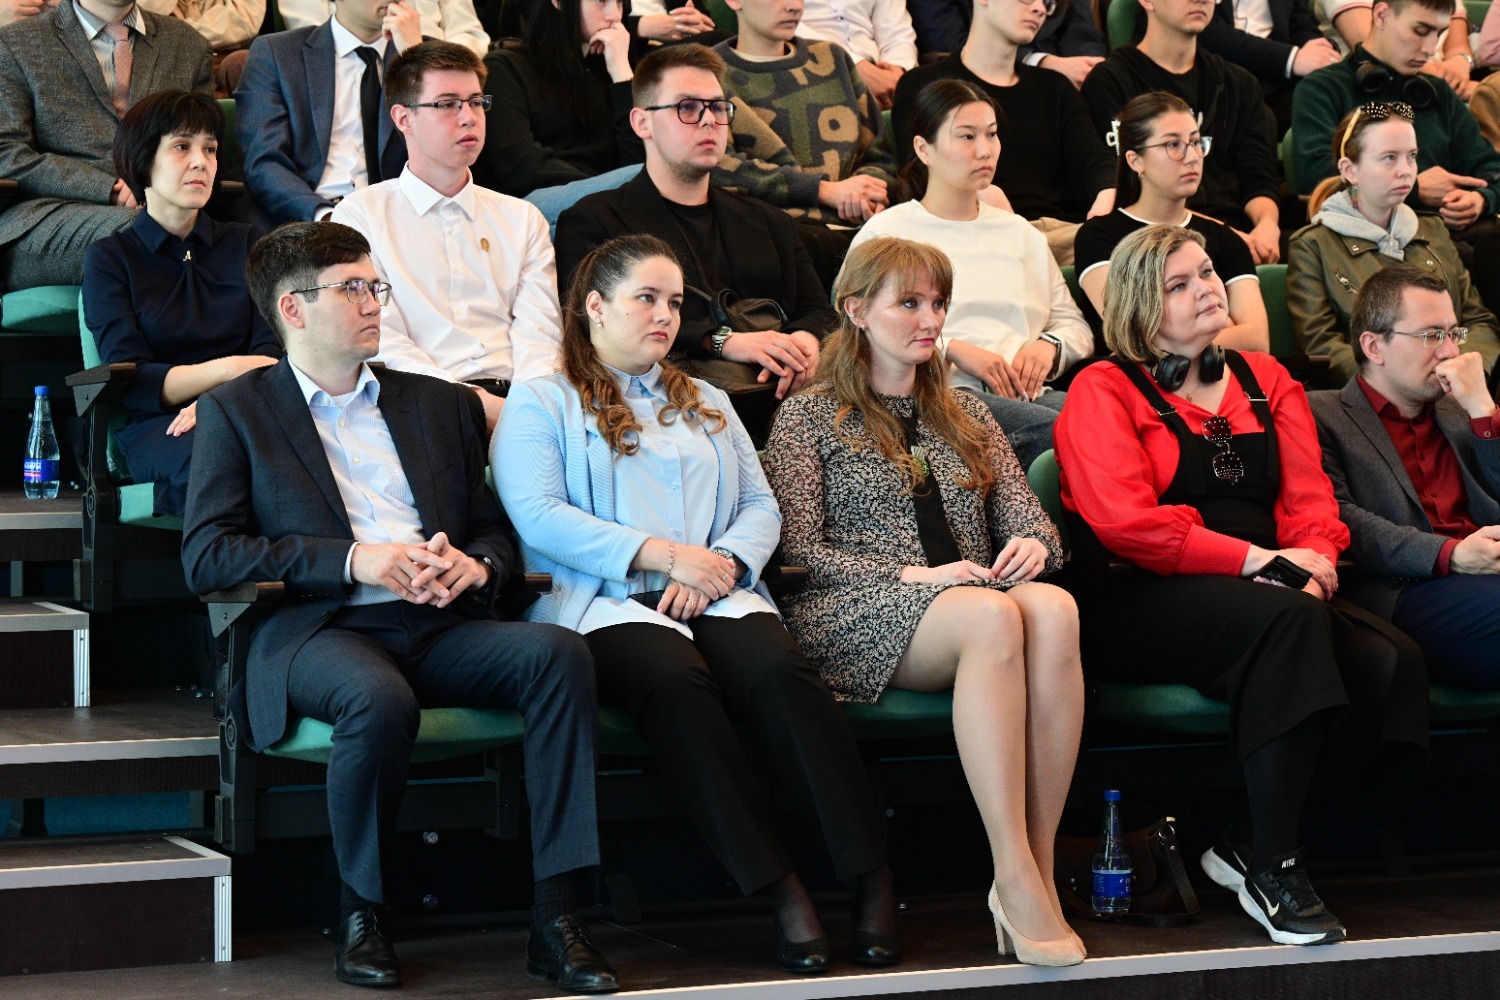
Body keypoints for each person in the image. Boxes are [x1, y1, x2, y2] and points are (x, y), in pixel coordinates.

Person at [181, 221, 616, 994]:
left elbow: (493, 529)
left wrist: (476, 565)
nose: (373, 302)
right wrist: (355, 560)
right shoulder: (237, 411)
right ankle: (363, 912)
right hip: (322, 627)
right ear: (292, 308)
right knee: (376, 698)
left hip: (442, 621)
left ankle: (559, 918)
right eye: (351, 288)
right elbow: (209, 554)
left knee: (558, 655)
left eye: (374, 285)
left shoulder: (438, 404)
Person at [495, 233, 897, 976]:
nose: (665, 315)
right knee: (676, 684)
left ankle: (870, 873)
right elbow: (539, 514)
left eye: (675, 302)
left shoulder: (707, 398)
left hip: (715, 589)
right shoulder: (543, 398)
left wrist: (724, 565)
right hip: (606, 601)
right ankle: (779, 887)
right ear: (594, 306)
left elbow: (760, 505)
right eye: (646, 298)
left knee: (781, 676)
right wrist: (663, 556)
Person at [1055, 223, 1428, 948]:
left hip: (1273, 584)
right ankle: (1274, 870)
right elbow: (1127, 524)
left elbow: (1310, 498)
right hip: (1138, 595)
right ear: (1140, 308)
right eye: (1180, 284)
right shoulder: (1103, 388)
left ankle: (1248, 839)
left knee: (1391, 663)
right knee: (1289, 623)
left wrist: (1314, 561)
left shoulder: (1266, 377)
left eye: (1207, 273)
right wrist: (1261, 563)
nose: (1207, 290)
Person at [762, 235, 1086, 968]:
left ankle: (1034, 869)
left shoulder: (965, 412)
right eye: (908, 303)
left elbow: (1029, 518)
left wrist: (1034, 544)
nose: (930, 319)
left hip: (970, 599)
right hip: (853, 606)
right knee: (994, 614)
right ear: (855, 310)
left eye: (938, 303)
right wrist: (910, 576)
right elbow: (795, 556)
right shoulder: (809, 415)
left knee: (1054, 608)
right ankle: (1010, 868)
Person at [555, 44, 836, 443]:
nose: (709, 121)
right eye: (687, 107)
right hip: (660, 414)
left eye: (718, 108)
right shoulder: (594, 220)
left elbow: (818, 311)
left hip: (784, 405)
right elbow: (590, 325)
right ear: (642, 122)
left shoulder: (769, 220)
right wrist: (724, 342)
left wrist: (800, 345)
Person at [849, 79, 1091, 469]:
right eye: (967, 136)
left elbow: (1072, 323)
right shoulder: (887, 233)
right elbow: (855, 329)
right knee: (1060, 431)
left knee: (1105, 421)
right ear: (923, 149)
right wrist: (950, 348)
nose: (985, 150)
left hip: (1026, 393)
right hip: (937, 396)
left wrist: (1048, 346)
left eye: (991, 134)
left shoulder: (1020, 232)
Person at [332, 41, 562, 436]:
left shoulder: (522, 218)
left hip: (521, 402)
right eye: (447, 104)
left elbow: (540, 337)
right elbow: (383, 340)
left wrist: (527, 414)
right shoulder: (360, 216)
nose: (469, 117)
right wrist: (471, 404)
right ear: (404, 118)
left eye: (475, 102)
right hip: (419, 405)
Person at [82, 91, 280, 517]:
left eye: (210, 149)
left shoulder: (248, 243)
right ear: (142, 161)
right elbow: (134, 378)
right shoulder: (111, 258)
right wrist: (228, 370)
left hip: (250, 411)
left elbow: (271, 355)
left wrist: (220, 402)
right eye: (181, 146)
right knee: (219, 461)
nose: (200, 162)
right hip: (163, 425)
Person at [1311, 265, 1500, 690]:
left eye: (1454, 333)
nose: (1450, 351)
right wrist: (1450, 554)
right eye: (1432, 335)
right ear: (1374, 346)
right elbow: (1341, 518)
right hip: (1402, 588)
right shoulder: (1320, 414)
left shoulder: (1464, 407)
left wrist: (1484, 412)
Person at [0, 0, 211, 289]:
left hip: (162, 209)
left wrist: (156, 185)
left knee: (231, 238)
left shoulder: (188, 45)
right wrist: (106, 187)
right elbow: (7, 154)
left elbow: (204, 146)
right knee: (149, 232)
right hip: (46, 215)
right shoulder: (14, 43)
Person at [1287, 102, 1500, 383]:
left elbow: (1479, 321)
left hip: (1454, 388)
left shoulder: (1433, 229)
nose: (1406, 170)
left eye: (1411, 156)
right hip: (1375, 400)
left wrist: (1462, 372)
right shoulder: (1313, 246)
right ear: (1349, 170)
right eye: (1389, 157)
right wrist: (1404, 383)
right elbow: (1321, 347)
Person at [892, 0, 1116, 266]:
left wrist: (1107, 191)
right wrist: (980, 196)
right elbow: (917, 174)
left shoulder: (1055, 88)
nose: (1040, 8)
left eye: (1047, 2)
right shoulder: (923, 84)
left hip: (1062, 235)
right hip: (970, 233)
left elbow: (1093, 161)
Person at [712, 0, 898, 286]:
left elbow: (879, 156)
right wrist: (822, 190)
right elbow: (716, 167)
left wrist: (863, 194)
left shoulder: (834, 58)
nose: (794, 6)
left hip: (860, 231)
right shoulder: (709, 73)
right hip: (776, 239)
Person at [1081, 0, 1283, 264]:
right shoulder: (1111, 81)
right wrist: (1225, 237)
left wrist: (1267, 226)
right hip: (1158, 240)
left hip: (1241, 234)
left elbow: (1258, 178)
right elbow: (1129, 191)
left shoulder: (1239, 84)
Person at [1075, 91, 1267, 350]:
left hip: (1223, 373)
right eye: (1173, 144)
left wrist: (1175, 330)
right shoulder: (1100, 236)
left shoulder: (1225, 238)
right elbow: (1136, 337)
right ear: (1135, 160)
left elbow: (1256, 341)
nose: (1192, 156)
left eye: (1195, 142)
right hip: (1138, 375)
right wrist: (1221, 323)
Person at [1291, 0, 1500, 236]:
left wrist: (1482, 199)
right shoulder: (1321, 89)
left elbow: (1492, 168)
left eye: (1439, 33)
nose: (1430, 49)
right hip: (1364, 241)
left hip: (1447, 239)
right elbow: (1318, 178)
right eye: (1420, 31)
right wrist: (1413, 188)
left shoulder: (1439, 92)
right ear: (1381, 15)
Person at [235, 0, 417, 226]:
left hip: (396, 220)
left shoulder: (422, 56)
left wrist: (414, 60)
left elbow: (444, 154)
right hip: (306, 219)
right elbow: (263, 161)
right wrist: (325, 215)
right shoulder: (277, 53)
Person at [473, 0, 644, 227]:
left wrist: (621, 71)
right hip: (534, 207)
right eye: (602, 1)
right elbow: (520, 167)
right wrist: (604, 189)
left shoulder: (607, 69)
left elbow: (636, 158)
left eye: (620, 3)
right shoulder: (505, 67)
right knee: (654, 182)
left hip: (606, 203)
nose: (615, 15)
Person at [1194, 0, 1341, 131]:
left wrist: (1323, 53)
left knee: (1328, 100)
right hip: (1222, 78)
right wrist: (1291, 58)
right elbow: (1208, 33)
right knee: (1262, 118)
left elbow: (1300, 23)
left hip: (1279, 77)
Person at [907, 0, 1107, 90]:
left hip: (1067, 81)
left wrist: (1087, 70)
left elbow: (1082, 32)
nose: (1040, 8)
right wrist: (1040, 63)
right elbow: (948, 41)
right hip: (976, 80)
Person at [794, 0, 919, 110]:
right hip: (814, 70)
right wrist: (854, 65)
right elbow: (789, 28)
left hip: (883, 69)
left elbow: (898, 34)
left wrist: (896, 74)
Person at [279, 0, 490, 56]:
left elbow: (469, 35)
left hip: (433, 63)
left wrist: (426, 57)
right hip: (357, 58)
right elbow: (315, 42)